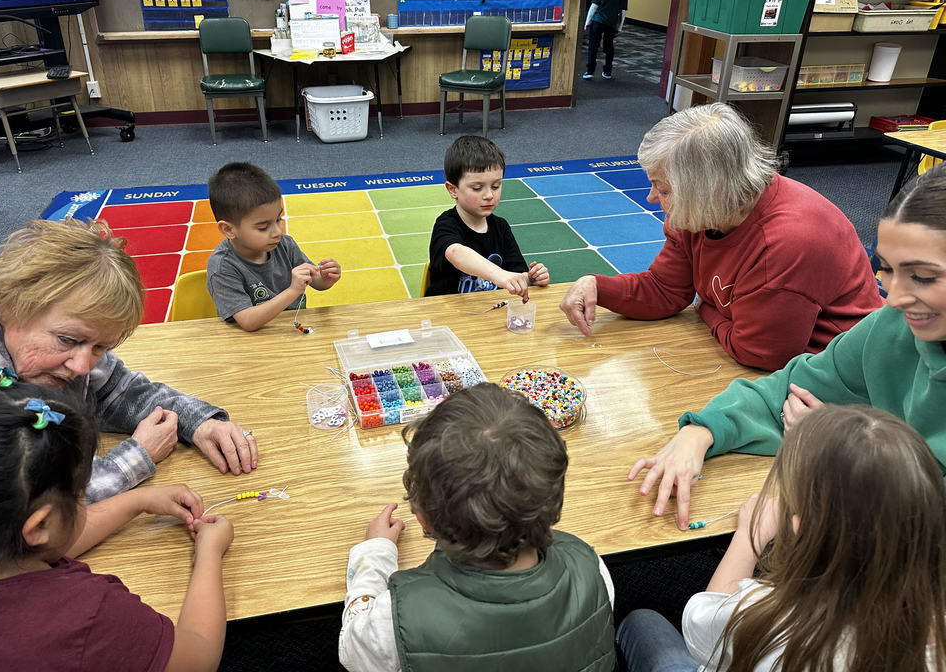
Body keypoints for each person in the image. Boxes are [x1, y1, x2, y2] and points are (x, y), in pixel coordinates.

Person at [629, 160, 946, 530]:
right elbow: (787, 386)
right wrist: (700, 432)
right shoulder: (892, 325)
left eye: (921, 277)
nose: (893, 299)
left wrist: (840, 455)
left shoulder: (791, 239)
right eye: (887, 270)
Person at [0, 218, 257, 504]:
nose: (83, 367)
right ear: (12, 305)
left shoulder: (55, 319)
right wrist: (135, 458)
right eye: (69, 340)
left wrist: (198, 421)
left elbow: (118, 391)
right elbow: (22, 505)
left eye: (100, 347)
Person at [0, 374, 235, 671]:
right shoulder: (88, 618)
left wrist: (137, 502)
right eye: (80, 496)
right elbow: (199, 656)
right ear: (38, 527)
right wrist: (209, 553)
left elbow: (45, 544)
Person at [617, 404, 946, 672]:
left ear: (800, 527)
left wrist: (748, 536)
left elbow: (700, 621)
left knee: (641, 622)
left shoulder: (773, 622)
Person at [559, 103, 881, 371]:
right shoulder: (696, 214)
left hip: (831, 369)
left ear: (706, 190)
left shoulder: (786, 242)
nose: (651, 198)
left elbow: (761, 354)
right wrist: (598, 286)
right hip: (752, 349)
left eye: (663, 187)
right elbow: (665, 290)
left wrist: (705, 309)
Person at [338, 383, 616, 672]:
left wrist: (374, 553)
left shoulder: (394, 620)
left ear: (423, 518)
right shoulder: (591, 567)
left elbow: (352, 651)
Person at [206, 162, 342, 331]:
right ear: (228, 229)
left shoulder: (285, 244)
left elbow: (315, 281)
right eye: (263, 227)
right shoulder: (223, 266)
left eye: (278, 219)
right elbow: (248, 322)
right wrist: (292, 291)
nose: (277, 231)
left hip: (291, 330)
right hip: (250, 341)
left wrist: (326, 278)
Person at [425, 136, 550, 298]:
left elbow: (515, 275)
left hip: (490, 312)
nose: (489, 195)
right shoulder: (446, 224)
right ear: (453, 190)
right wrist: (497, 274)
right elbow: (456, 253)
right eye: (477, 188)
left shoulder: (500, 227)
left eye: (496, 186)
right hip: (446, 313)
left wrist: (530, 279)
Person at [583, 0, 627, 80]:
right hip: (611, 23)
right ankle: (607, 71)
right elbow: (623, 11)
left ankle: (589, 70)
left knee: (593, 45)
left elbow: (594, 6)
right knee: (609, 46)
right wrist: (620, 27)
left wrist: (587, 22)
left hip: (598, 21)